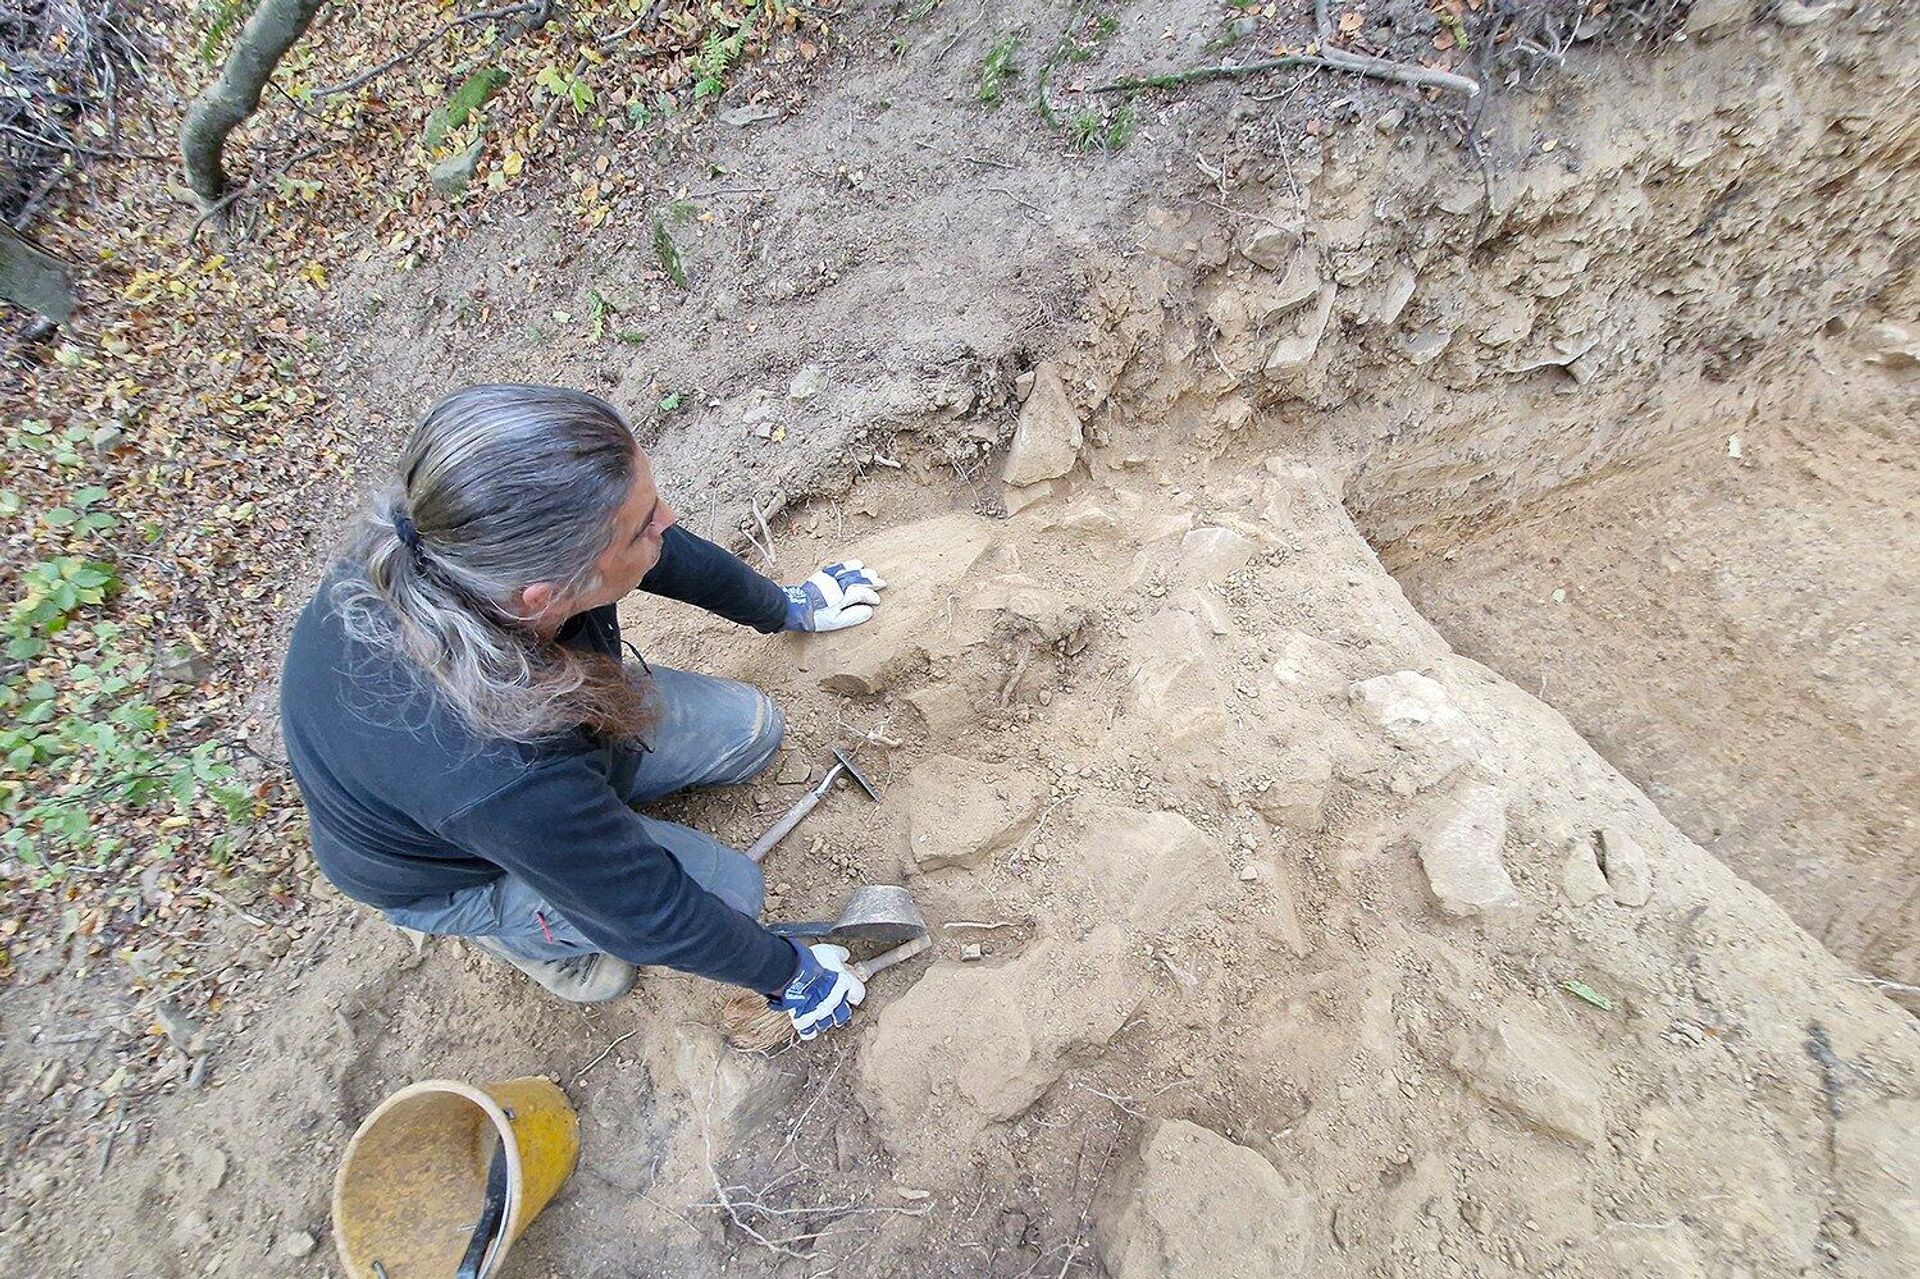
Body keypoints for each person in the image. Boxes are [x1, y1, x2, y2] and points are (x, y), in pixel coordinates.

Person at [278, 384, 887, 1040]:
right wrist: (787, 972)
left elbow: (657, 545)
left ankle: (582, 835)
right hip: (451, 864)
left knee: (753, 731)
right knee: (729, 895)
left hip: (548, 738)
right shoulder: (495, 773)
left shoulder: (464, 543)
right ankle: (528, 926)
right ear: (547, 594)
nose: (668, 519)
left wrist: (784, 605)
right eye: (642, 524)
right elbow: (651, 911)